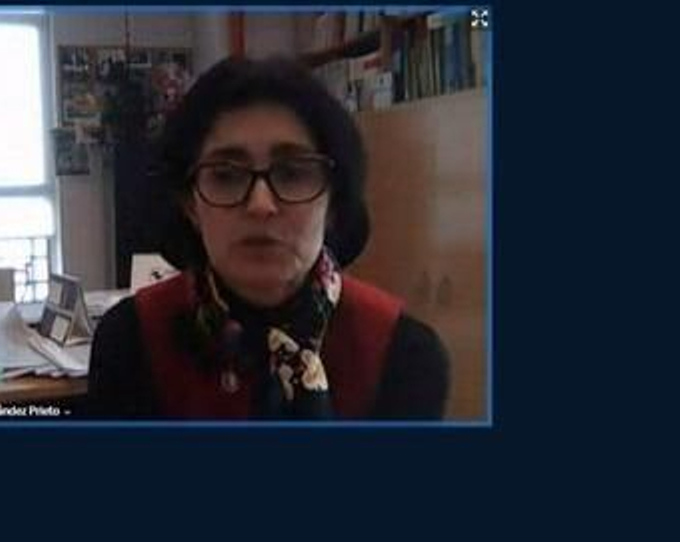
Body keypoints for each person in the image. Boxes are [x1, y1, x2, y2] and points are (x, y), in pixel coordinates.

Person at [87, 56, 449, 420]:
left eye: (292, 173)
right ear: (190, 205)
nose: (261, 205)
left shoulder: (403, 352)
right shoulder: (131, 341)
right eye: (226, 176)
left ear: (334, 202)